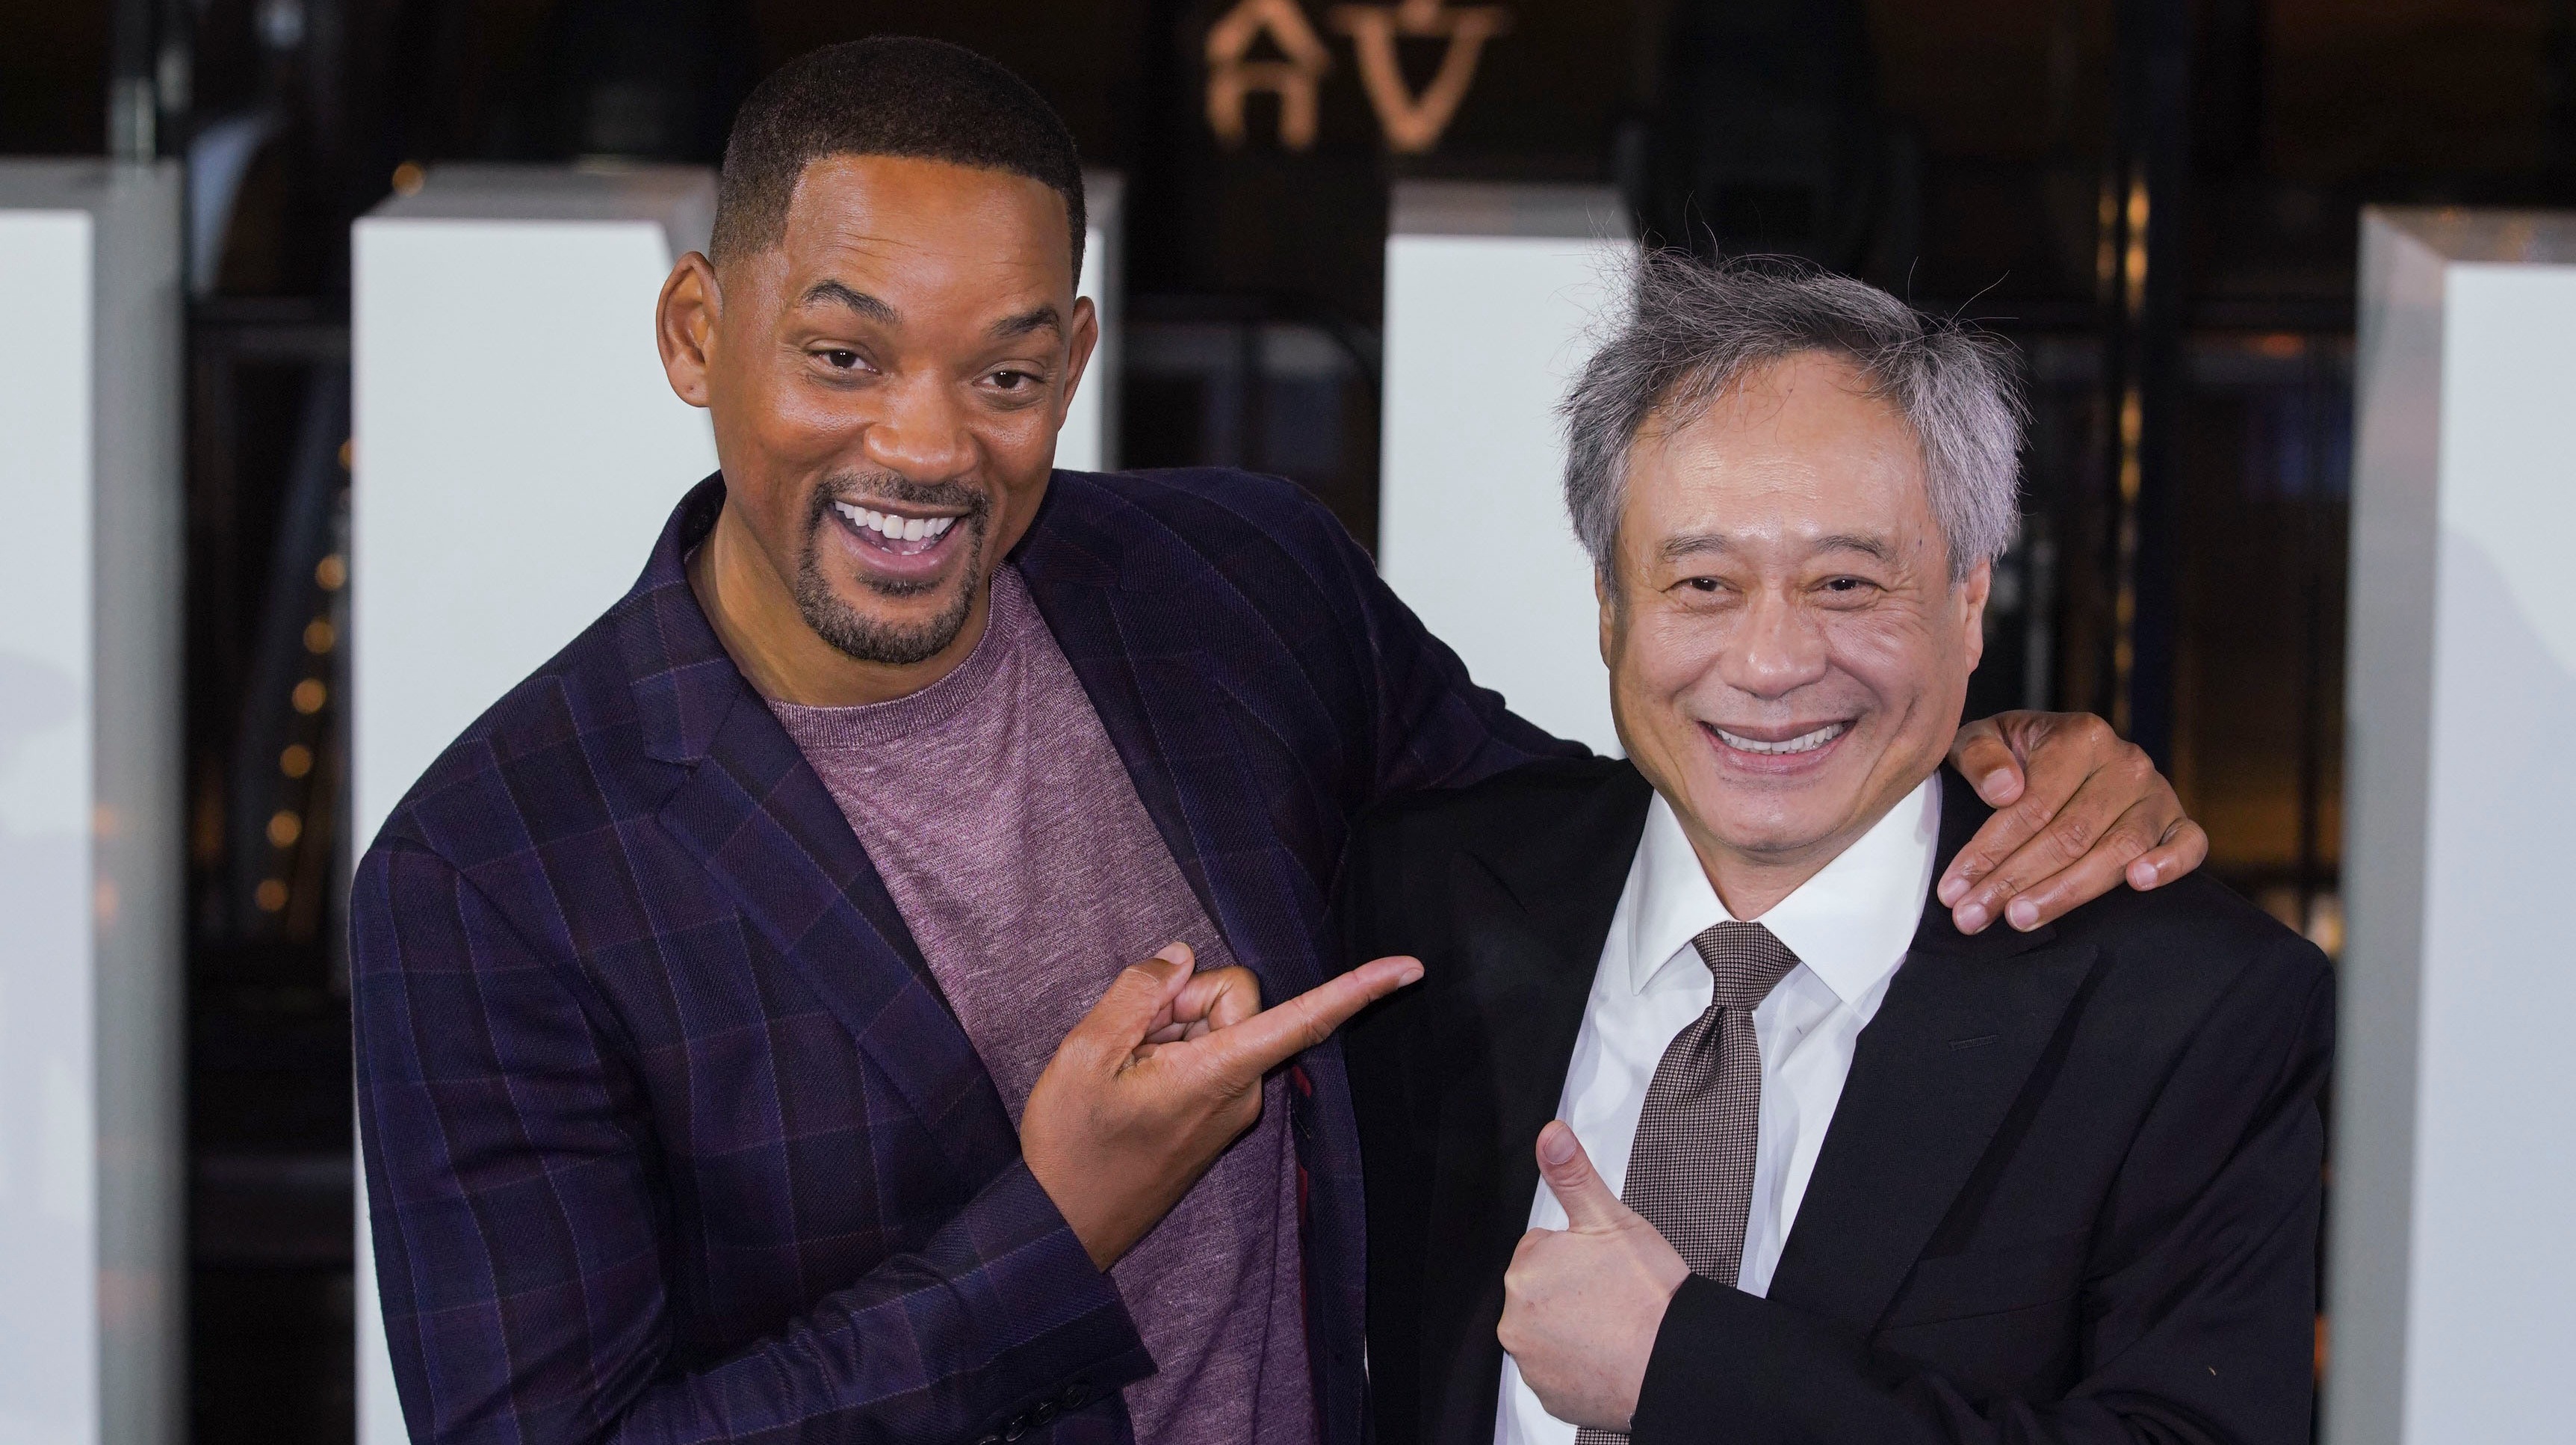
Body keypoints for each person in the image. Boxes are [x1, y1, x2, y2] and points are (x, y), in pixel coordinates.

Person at [350, 38, 2211, 1445]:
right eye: (842, 357)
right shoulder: (489, 876)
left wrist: (1972, 760)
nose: (924, 443)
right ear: (697, 331)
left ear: (1074, 360)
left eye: (1003, 373)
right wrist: (1049, 1231)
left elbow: (1602, 844)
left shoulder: (1231, 580)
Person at [1340, 256, 2332, 1445]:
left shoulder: (2187, 1009)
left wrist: (1691, 1372)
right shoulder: (1416, 903)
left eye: (1846, 584)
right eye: (1703, 582)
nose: (1771, 663)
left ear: (1970, 599)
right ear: (1609, 604)